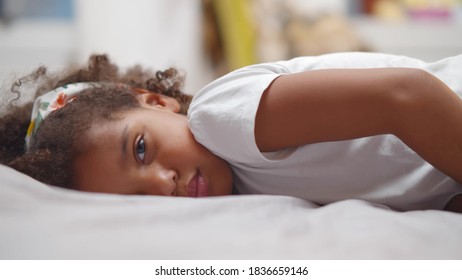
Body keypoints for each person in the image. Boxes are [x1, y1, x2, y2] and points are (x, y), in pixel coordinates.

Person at [0, 52, 461, 212]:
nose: (163, 185)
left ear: (157, 102)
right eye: (137, 201)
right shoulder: (244, 193)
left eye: (140, 149)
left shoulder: (221, 117)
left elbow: (406, 96)